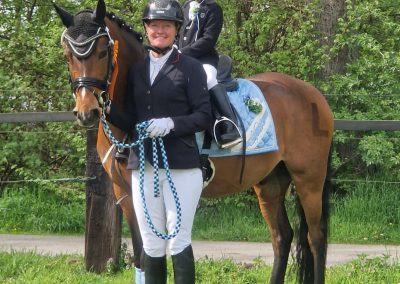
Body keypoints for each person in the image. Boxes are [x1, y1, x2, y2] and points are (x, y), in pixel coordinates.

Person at [106, 1, 212, 283]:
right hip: (144, 167)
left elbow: (203, 115)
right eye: (154, 25)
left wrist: (170, 124)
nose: (160, 31)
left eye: (166, 25)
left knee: (178, 240)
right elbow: (132, 119)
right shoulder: (137, 71)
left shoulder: (190, 68)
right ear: (146, 29)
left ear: (176, 30)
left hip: (182, 166)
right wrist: (106, 109)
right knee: (151, 243)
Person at [178, 0, 242, 148]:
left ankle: (229, 125)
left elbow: (208, 40)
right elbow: (176, 34)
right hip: (180, 61)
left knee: (207, 77)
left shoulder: (213, 9)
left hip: (204, 61)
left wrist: (181, 53)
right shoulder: (185, 7)